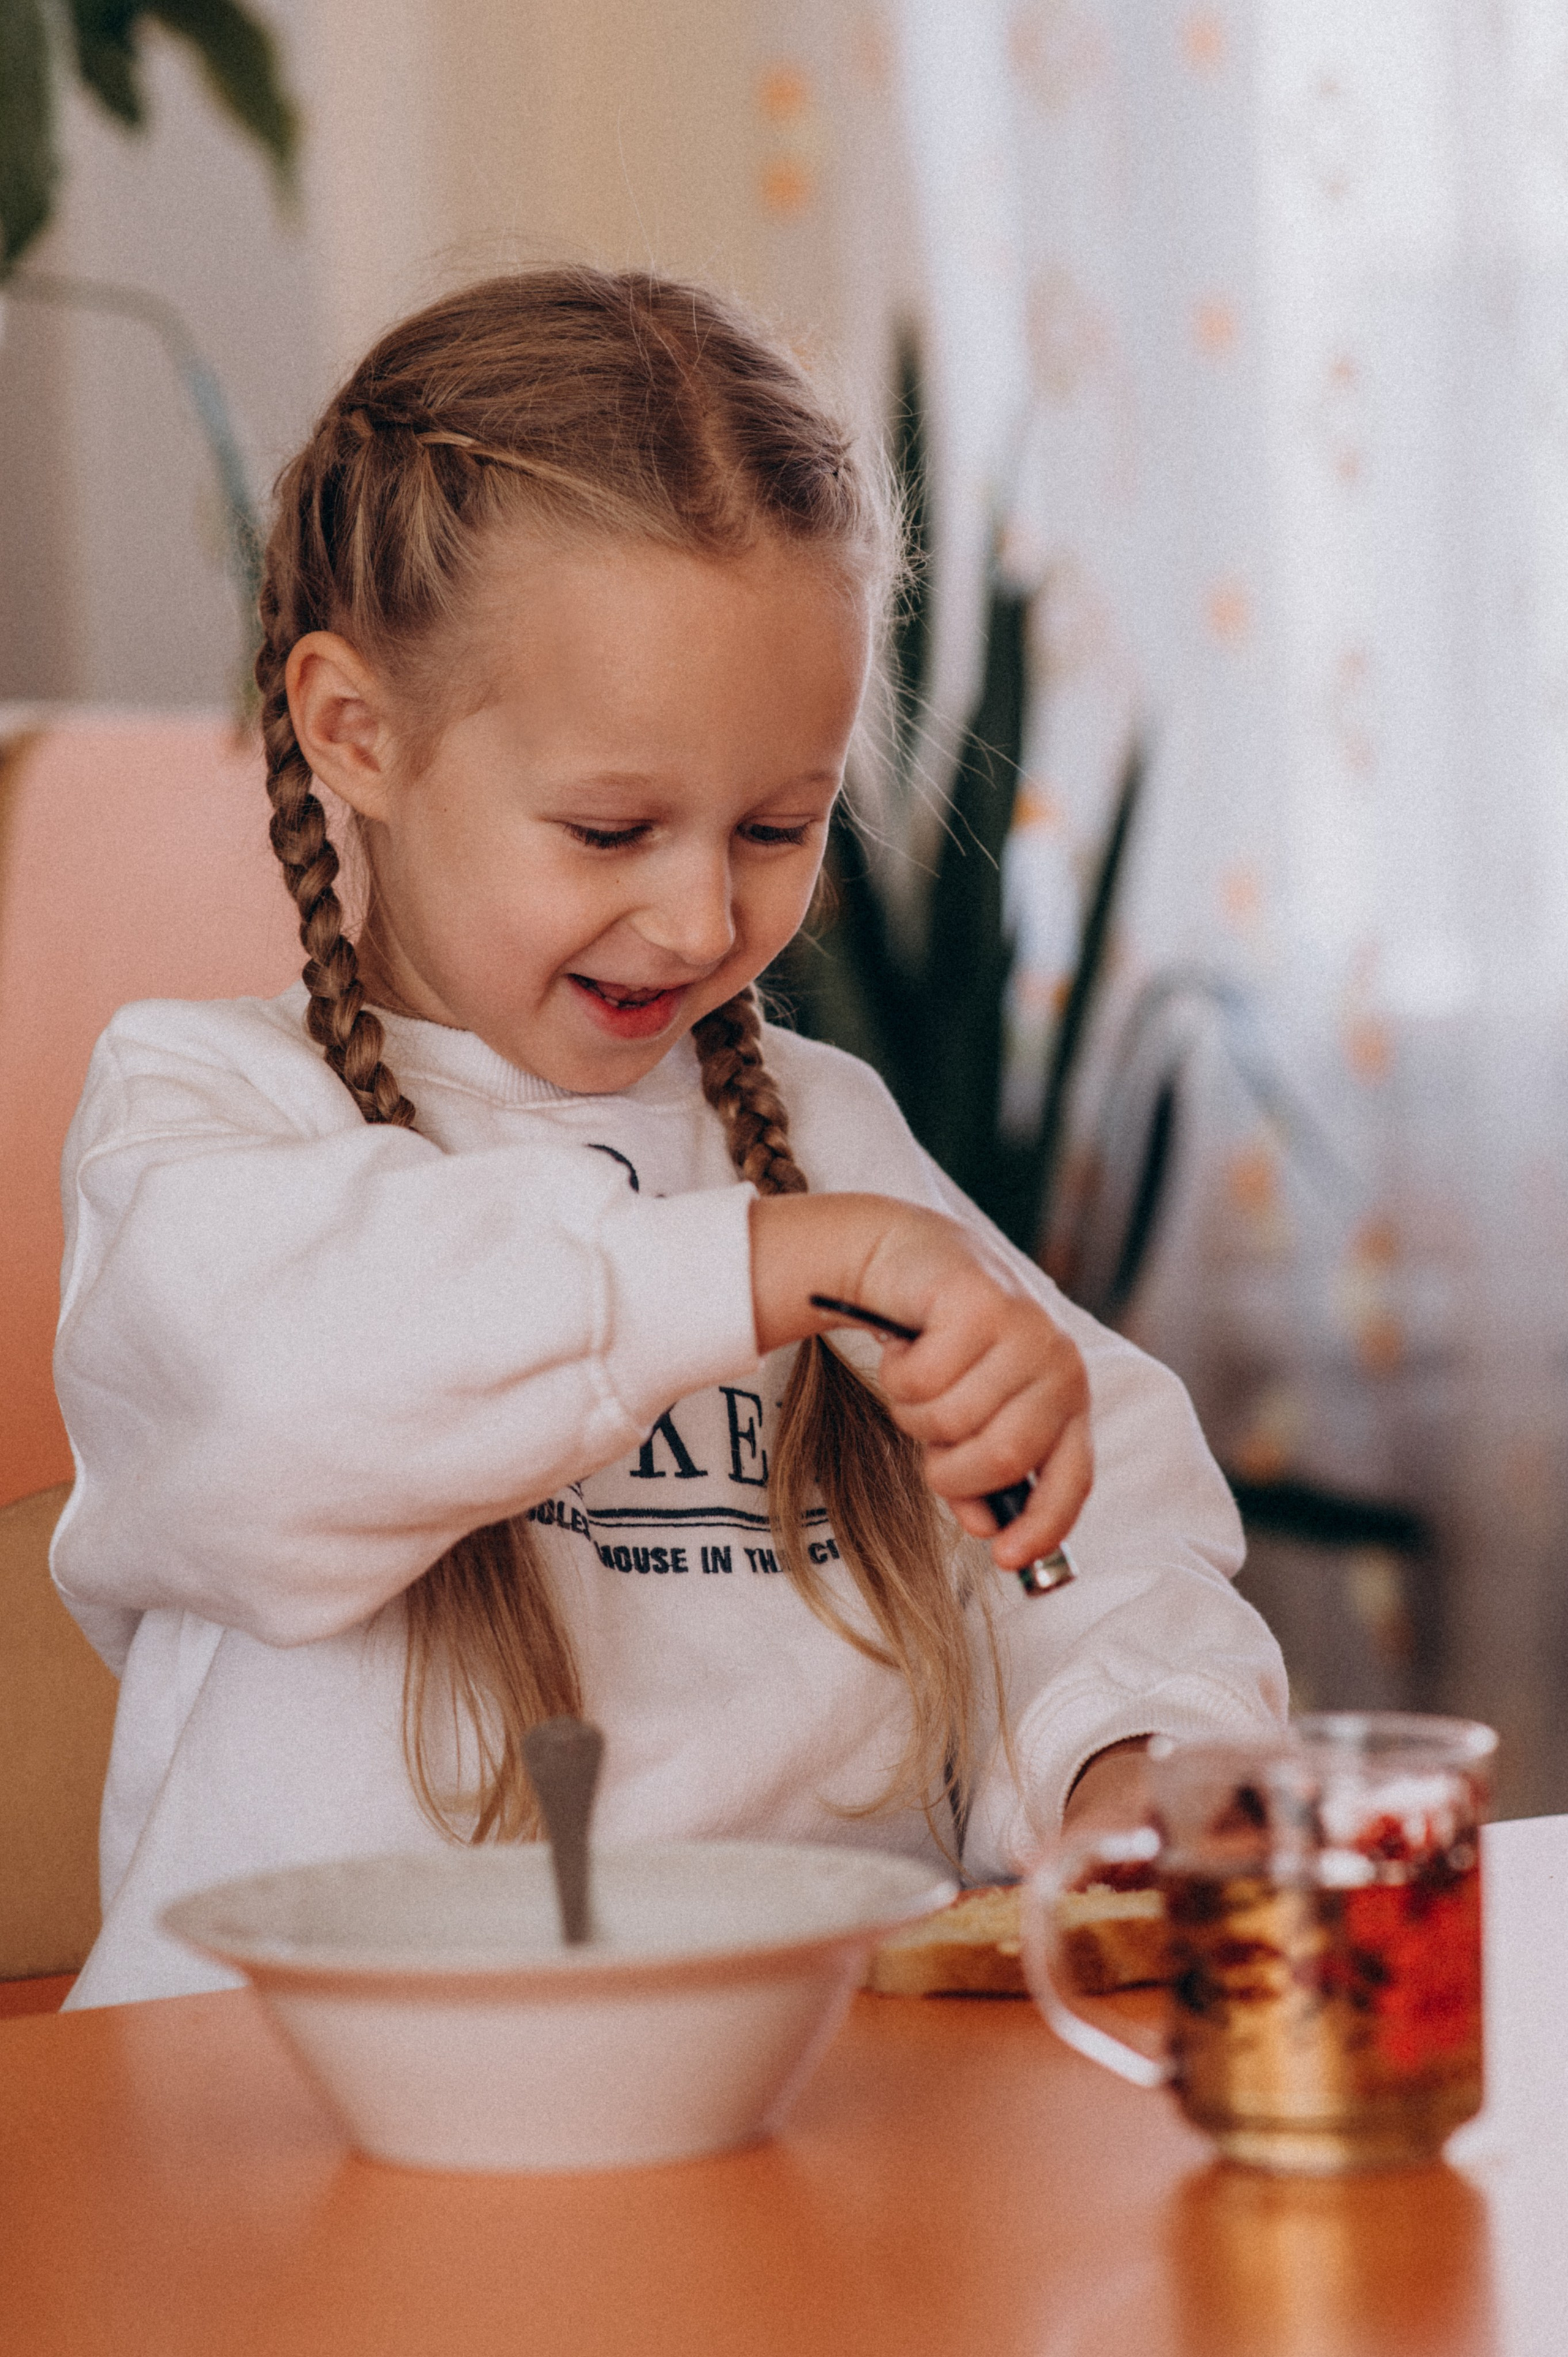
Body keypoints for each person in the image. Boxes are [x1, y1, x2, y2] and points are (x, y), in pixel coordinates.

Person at [52, 270, 1286, 2008]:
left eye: (779, 828)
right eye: (613, 826)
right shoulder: (200, 1112)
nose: (703, 916)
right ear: (357, 731)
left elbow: (1089, 1535)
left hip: (800, 2106)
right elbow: (282, 1398)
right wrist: (766, 1269)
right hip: (293, 2137)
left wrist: (1123, 1760)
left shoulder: (827, 1134)